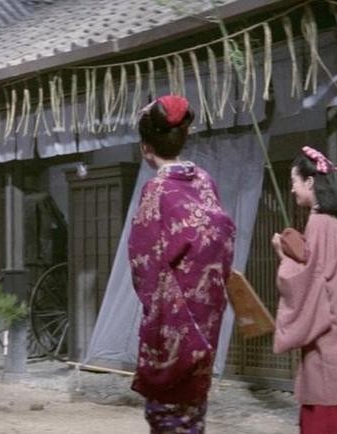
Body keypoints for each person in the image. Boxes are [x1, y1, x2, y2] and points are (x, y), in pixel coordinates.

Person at [127, 95, 236, 433]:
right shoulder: (205, 182)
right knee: (192, 413)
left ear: (146, 148)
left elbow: (143, 262)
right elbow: (222, 246)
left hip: (171, 320)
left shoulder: (157, 190)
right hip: (206, 313)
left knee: (168, 414)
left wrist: (160, 302)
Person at [271, 147, 337, 434]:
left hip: (331, 342)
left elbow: (310, 285)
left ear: (310, 182)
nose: (292, 189)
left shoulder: (318, 222)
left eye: (294, 181)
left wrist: (283, 256)